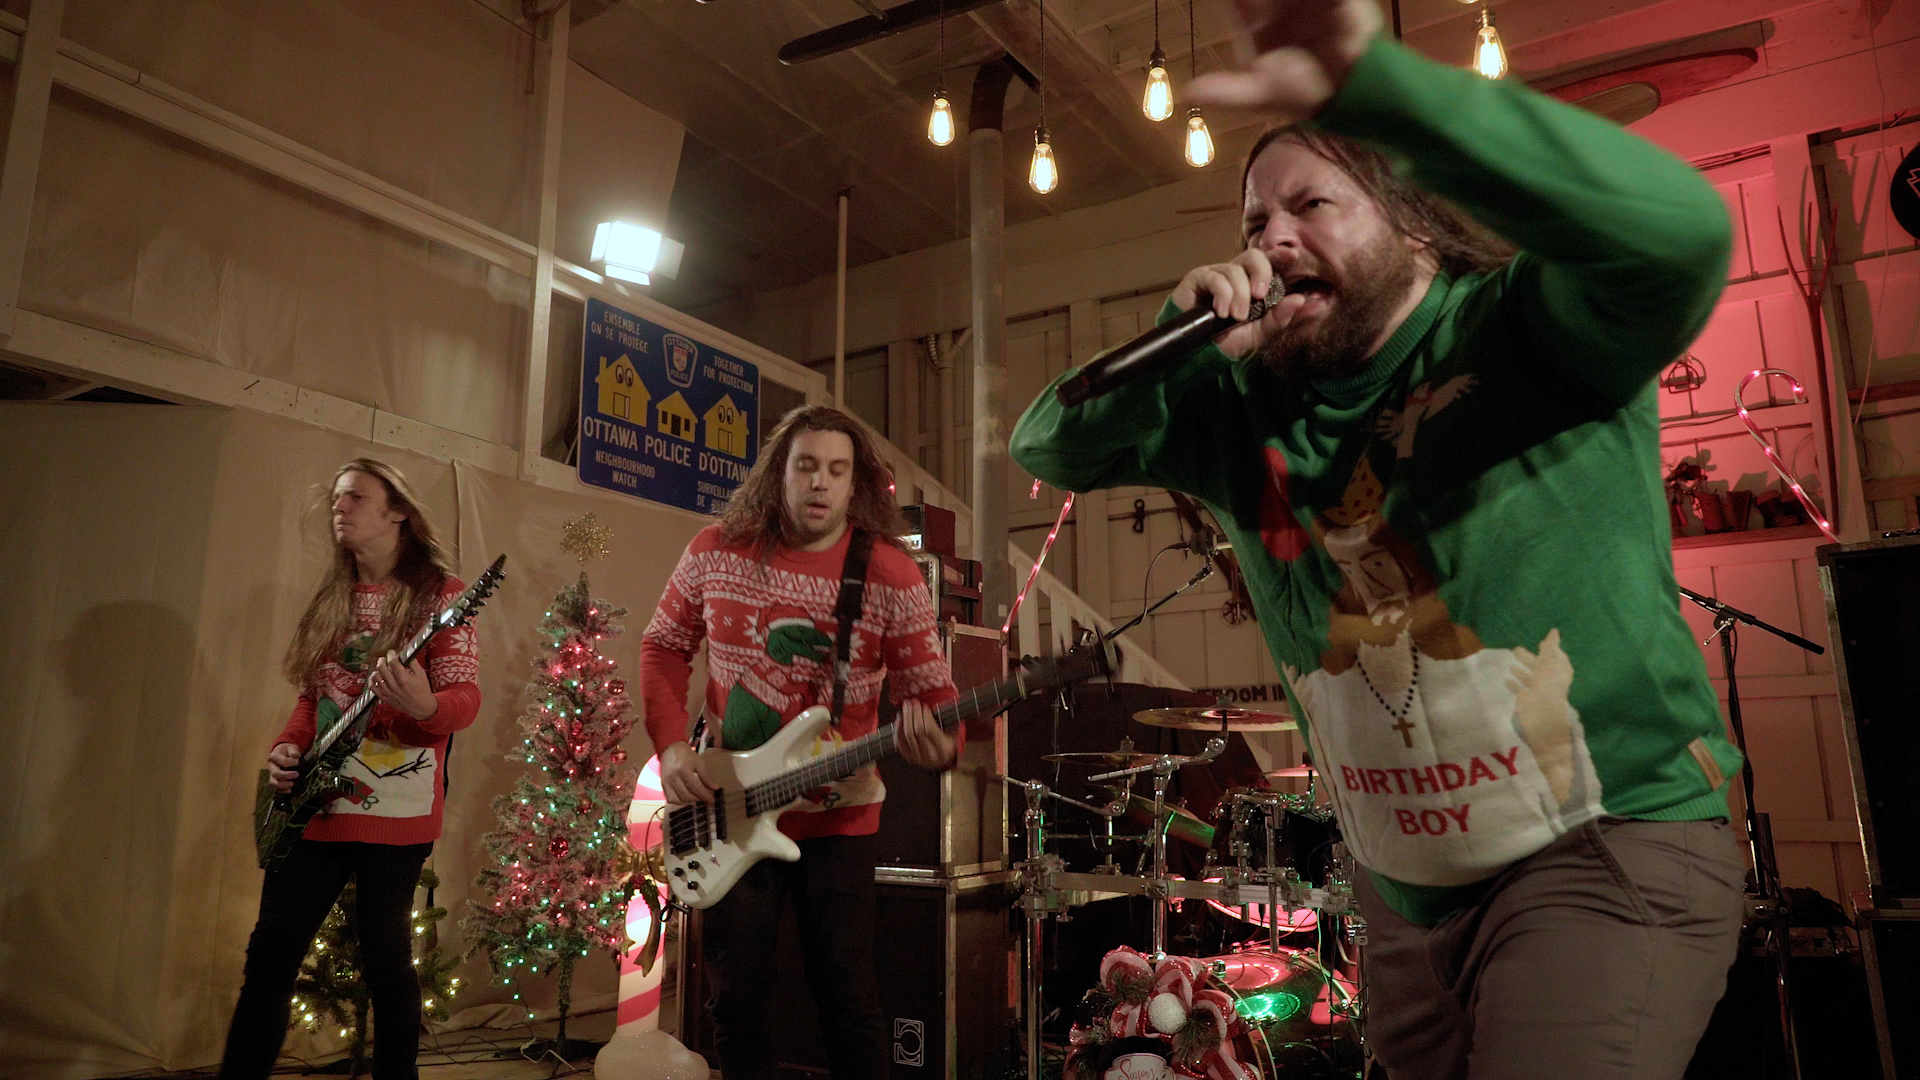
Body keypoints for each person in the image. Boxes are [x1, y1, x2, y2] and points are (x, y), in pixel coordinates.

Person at [1011, 2, 1747, 1076]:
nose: (1272, 240)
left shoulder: (1522, 329)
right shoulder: (1236, 405)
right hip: (1405, 902)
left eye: (1311, 204)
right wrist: (1180, 343)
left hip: (1601, 848)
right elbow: (1049, 441)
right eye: (1256, 221)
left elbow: (1681, 235)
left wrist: (1384, 88)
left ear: (1413, 225)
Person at [640, 405, 961, 1080]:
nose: (820, 483)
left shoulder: (890, 575)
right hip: (731, 811)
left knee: (848, 999)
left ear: (855, 484)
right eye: (807, 466)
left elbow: (934, 701)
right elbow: (663, 646)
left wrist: (939, 746)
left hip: (839, 822)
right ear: (777, 474)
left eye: (837, 471)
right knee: (738, 1003)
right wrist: (671, 747)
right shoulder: (715, 550)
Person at [220, 459, 480, 1080]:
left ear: (398, 512)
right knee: (271, 952)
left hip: (397, 809)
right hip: (317, 805)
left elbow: (464, 700)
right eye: (337, 497)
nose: (340, 507)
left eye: (357, 497)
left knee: (385, 958)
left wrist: (426, 706)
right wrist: (287, 748)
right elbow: (313, 698)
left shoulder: (441, 596)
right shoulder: (333, 597)